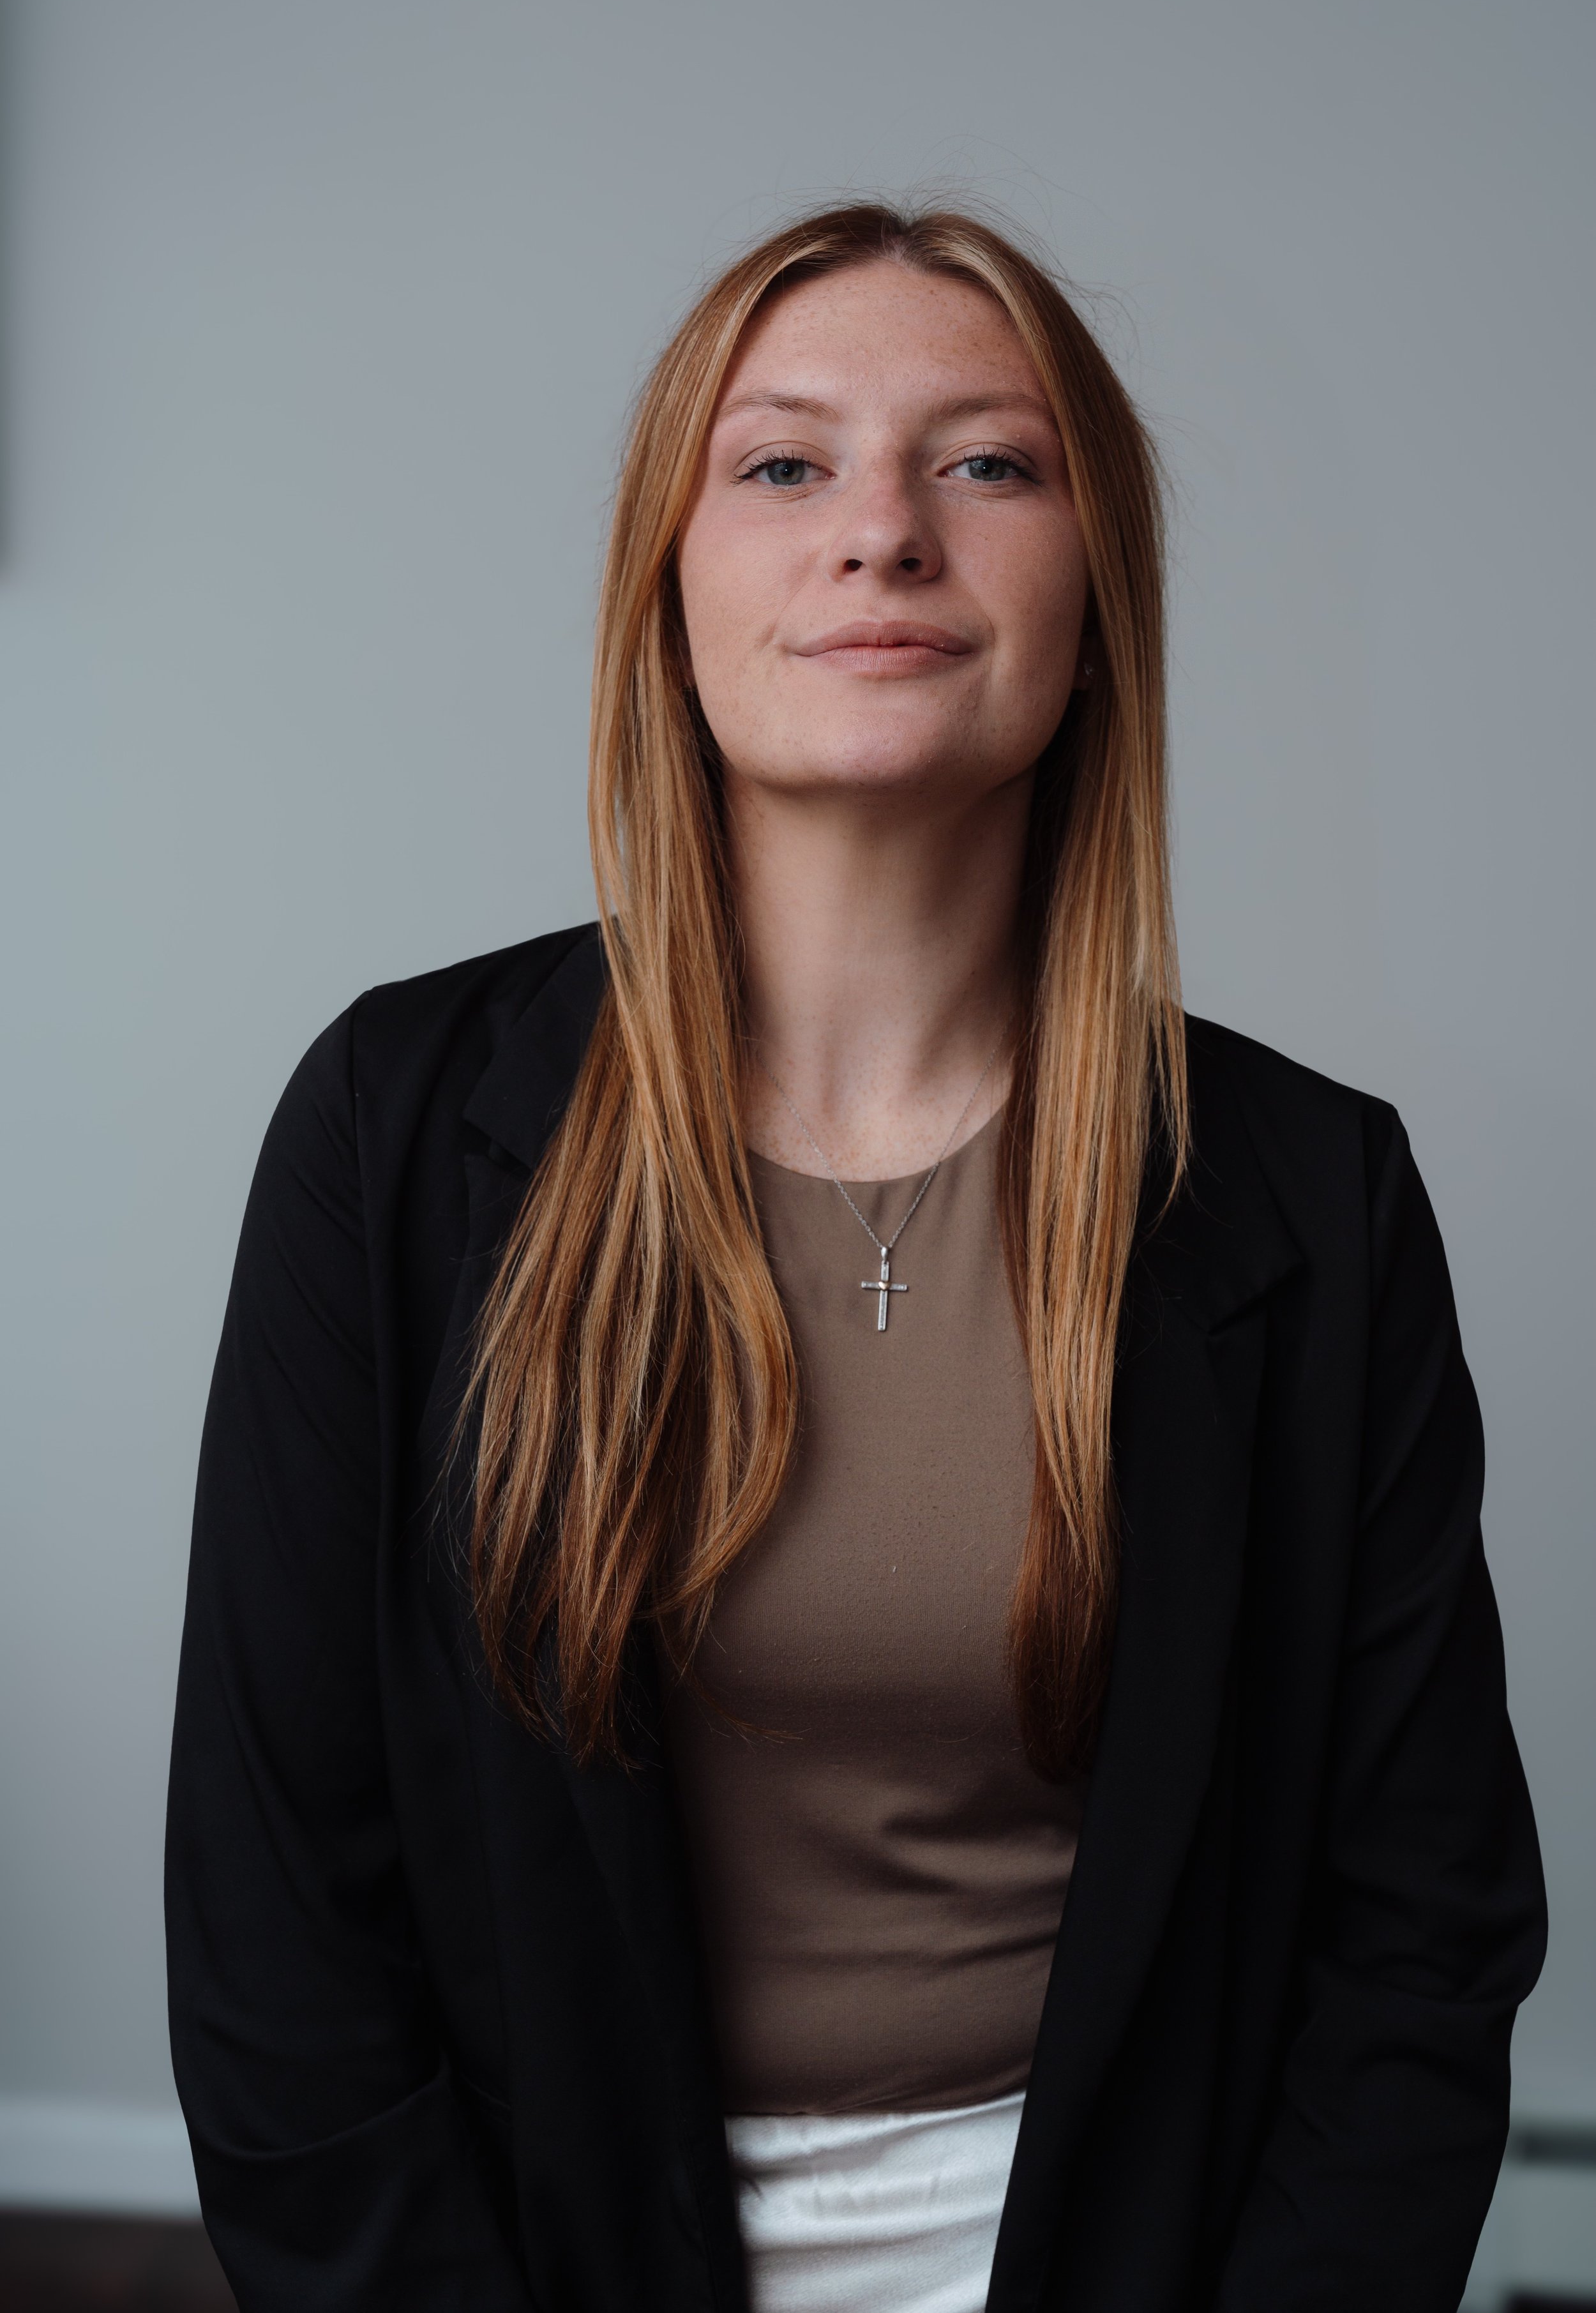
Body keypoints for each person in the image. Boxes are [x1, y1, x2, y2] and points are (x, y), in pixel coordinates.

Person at [165, 202, 1546, 2313]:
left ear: (1098, 599)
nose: (882, 534)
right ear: (670, 587)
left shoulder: (1313, 1194)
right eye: (784, 463)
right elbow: (281, 1933)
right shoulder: (387, 1124)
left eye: (985, 462)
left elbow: (1418, 1939)